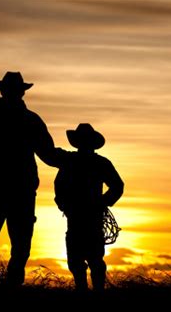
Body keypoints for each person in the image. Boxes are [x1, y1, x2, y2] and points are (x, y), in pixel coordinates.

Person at [0, 71, 57, 290]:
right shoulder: (28, 119)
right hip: (12, 192)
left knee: (8, 247)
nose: (14, 93)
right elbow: (49, 154)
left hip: (5, 192)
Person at [53, 123, 124, 292]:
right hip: (85, 215)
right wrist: (102, 202)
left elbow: (59, 186)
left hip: (83, 216)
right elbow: (117, 186)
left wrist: (101, 203)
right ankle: (90, 291)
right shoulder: (98, 163)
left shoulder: (71, 162)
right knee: (87, 259)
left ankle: (88, 291)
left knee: (87, 259)